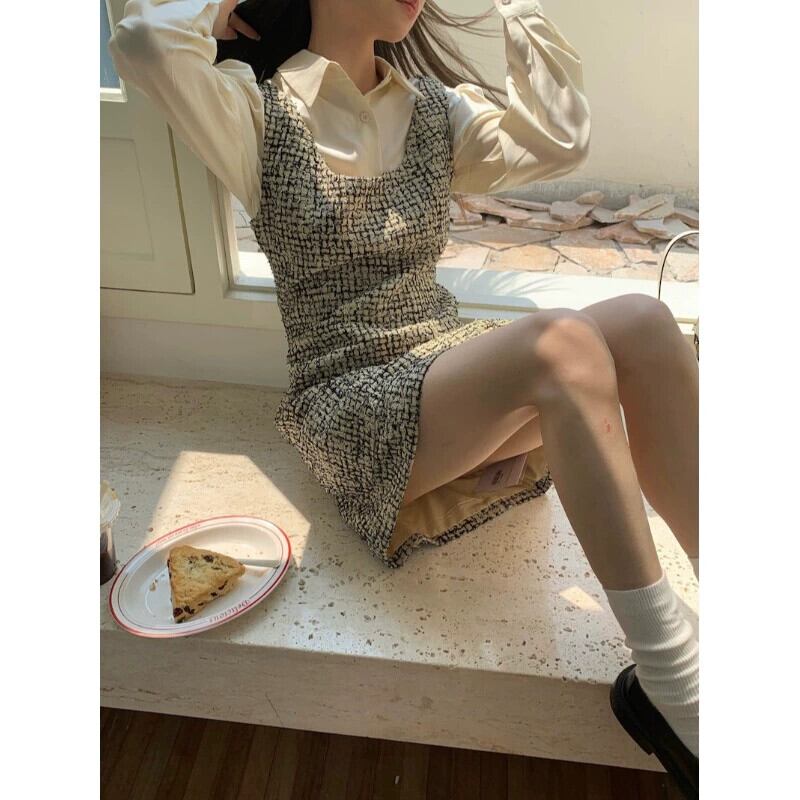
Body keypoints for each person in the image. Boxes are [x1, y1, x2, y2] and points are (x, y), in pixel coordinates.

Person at [108, 1, 699, 794]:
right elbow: (143, 40)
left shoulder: (434, 113)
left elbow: (561, 139)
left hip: (442, 366)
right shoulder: (252, 110)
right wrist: (219, 7)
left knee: (646, 324)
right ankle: (675, 683)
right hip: (347, 401)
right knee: (562, 344)